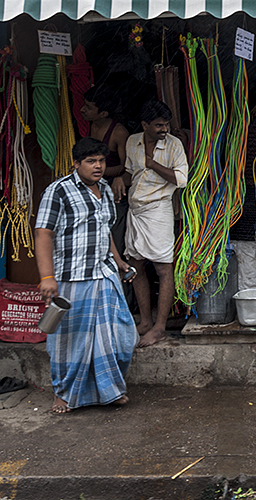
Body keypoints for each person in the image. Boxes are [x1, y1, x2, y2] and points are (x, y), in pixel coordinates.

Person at [35, 137, 138, 414]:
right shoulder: (58, 191)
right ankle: (64, 395)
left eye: (102, 161)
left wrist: (119, 261)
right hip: (71, 277)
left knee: (118, 335)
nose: (98, 166)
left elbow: (104, 231)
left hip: (103, 274)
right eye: (91, 161)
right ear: (76, 163)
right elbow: (44, 233)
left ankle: (110, 390)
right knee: (68, 341)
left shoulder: (104, 189)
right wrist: (47, 278)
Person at [121, 100, 188, 347]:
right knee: (135, 265)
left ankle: (160, 327)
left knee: (163, 268)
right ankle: (146, 321)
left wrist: (153, 164)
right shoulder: (132, 141)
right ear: (145, 125)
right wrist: (120, 180)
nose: (164, 129)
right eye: (159, 125)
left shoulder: (174, 145)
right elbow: (131, 172)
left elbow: (181, 179)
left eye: (166, 124)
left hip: (159, 210)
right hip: (136, 209)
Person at [81, 86, 131, 255]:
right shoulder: (87, 125)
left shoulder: (118, 133)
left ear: (103, 114)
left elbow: (125, 168)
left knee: (113, 239)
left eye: (88, 107)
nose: (83, 110)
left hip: (113, 191)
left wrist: (96, 172)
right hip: (91, 189)